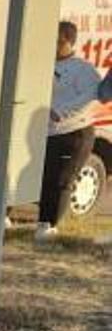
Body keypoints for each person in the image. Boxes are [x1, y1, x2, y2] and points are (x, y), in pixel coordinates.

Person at [37, 21, 103, 240]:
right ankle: (33, 220)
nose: (53, 46)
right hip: (45, 132)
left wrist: (60, 112)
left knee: (61, 179)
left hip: (74, 133)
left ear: (68, 41)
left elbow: (91, 98)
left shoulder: (83, 69)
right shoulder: (42, 64)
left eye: (58, 41)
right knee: (43, 177)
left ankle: (50, 225)